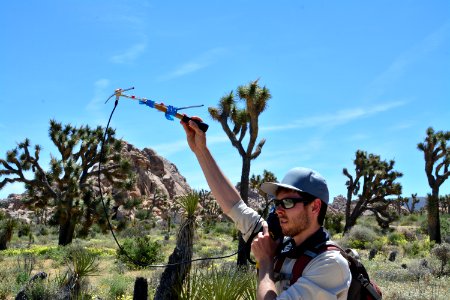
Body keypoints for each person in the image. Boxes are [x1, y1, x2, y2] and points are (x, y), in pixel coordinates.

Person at [181, 118, 351, 300]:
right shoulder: (281, 243)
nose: (279, 210)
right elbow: (234, 206)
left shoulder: (330, 264)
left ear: (315, 206)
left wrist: (266, 262)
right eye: (277, 203)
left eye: (287, 203)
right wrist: (200, 150)